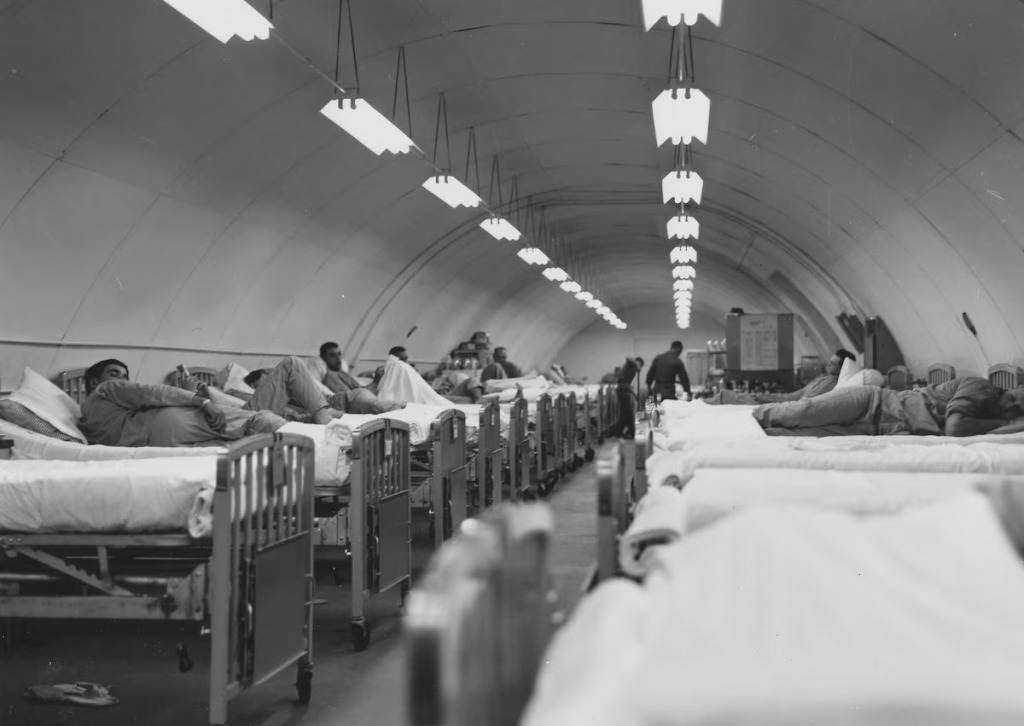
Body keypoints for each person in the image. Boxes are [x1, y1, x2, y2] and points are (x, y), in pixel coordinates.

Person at [79, 356, 342, 447]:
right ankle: (329, 438)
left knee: (244, 437)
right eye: (115, 374)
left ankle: (316, 425)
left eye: (124, 376)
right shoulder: (106, 390)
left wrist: (191, 394)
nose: (122, 380)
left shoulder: (90, 420)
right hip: (169, 424)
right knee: (290, 367)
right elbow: (150, 392)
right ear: (93, 381)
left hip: (162, 439)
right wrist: (200, 401)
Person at [753, 376, 1024, 437]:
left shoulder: (992, 413)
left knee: (790, 436)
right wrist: (1005, 423)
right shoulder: (981, 387)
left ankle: (743, 435)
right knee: (801, 412)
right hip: (872, 402)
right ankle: (748, 418)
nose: (1014, 404)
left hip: (882, 428)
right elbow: (955, 427)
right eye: (1016, 397)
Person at [708, 348, 856, 405]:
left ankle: (705, 403)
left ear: (842, 367)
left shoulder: (832, 384)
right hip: (781, 401)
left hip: (783, 405)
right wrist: (766, 396)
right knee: (734, 396)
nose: (828, 365)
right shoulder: (824, 378)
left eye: (833, 364)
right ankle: (705, 403)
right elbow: (797, 395)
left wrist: (767, 398)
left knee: (729, 396)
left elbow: (801, 400)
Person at [310, 341, 404, 413]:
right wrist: (376, 380)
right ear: (324, 358)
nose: (338, 359)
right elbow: (353, 398)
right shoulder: (331, 378)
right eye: (332, 355)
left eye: (339, 354)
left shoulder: (341, 373)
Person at [611, 357, 640, 438]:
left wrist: (634, 394)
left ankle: (631, 432)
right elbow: (628, 358)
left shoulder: (632, 368)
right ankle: (619, 433)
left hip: (624, 388)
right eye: (640, 365)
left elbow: (627, 385)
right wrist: (636, 364)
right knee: (625, 411)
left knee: (628, 411)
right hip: (623, 389)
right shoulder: (631, 364)